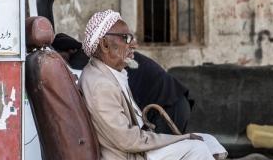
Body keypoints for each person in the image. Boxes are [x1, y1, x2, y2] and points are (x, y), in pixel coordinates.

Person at [78, 10, 228, 160]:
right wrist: (178, 139)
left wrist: (177, 139)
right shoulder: (100, 84)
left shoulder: (112, 72)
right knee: (198, 150)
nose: (133, 43)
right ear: (106, 45)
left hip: (134, 151)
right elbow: (126, 139)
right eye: (126, 38)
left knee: (210, 144)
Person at [53, 32, 192, 135]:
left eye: (62, 57)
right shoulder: (100, 56)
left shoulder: (82, 58)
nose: (62, 63)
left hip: (168, 108)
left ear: (70, 50)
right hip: (172, 103)